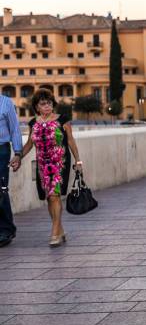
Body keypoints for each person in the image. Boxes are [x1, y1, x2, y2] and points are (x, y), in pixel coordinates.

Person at [15, 89, 83, 247]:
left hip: (60, 163)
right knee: (49, 197)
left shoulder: (62, 120)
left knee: (55, 196)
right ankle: (60, 229)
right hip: (42, 165)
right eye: (43, 103)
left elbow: (71, 141)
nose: (47, 106)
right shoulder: (33, 123)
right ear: (37, 107)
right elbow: (29, 144)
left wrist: (78, 161)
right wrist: (18, 157)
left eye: (50, 103)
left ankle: (54, 233)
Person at [0, 93, 22, 248]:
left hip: (1, 151)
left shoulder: (6, 103)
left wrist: (18, 153)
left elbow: (14, 128)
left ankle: (7, 229)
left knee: (0, 189)